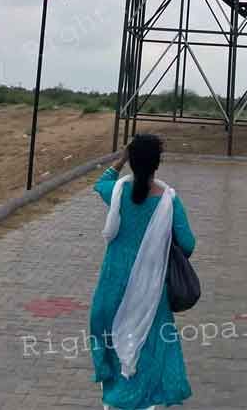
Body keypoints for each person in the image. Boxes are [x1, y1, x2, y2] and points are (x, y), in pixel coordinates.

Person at [90, 135, 195, 409]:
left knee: (113, 334)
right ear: (157, 164)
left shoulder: (117, 192)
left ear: (132, 162)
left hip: (113, 281)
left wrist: (121, 159)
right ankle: (142, 398)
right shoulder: (168, 201)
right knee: (148, 339)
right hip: (150, 286)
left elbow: (99, 183)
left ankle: (115, 396)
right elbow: (188, 243)